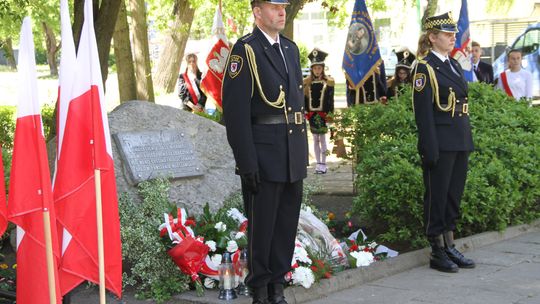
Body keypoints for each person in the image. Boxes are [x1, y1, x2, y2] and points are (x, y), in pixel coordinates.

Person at [221, 1, 308, 303]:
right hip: (264, 153)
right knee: (264, 226)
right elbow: (235, 113)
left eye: (283, 7)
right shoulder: (245, 51)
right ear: (257, 12)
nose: (281, 12)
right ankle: (260, 289)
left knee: (286, 223)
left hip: (291, 151)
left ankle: (277, 285)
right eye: (274, 7)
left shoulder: (290, 49)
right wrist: (247, 162)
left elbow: (296, 104)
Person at [413, 12, 475, 273]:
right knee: (436, 197)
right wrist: (430, 147)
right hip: (440, 142)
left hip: (459, 139)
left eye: (452, 34)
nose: (452, 38)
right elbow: (423, 113)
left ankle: (450, 244)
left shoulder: (453, 65)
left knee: (452, 196)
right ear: (432, 37)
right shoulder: (424, 68)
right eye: (447, 34)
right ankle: (437, 249)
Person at [304, 48, 335, 174]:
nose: (317, 70)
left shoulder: (328, 83)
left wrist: (330, 116)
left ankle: (324, 163)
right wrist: (305, 111)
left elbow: (330, 101)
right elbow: (304, 100)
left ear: (323, 68)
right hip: (312, 115)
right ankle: (318, 163)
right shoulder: (307, 83)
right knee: (315, 139)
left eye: (319, 68)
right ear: (312, 69)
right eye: (315, 68)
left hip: (323, 115)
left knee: (322, 139)